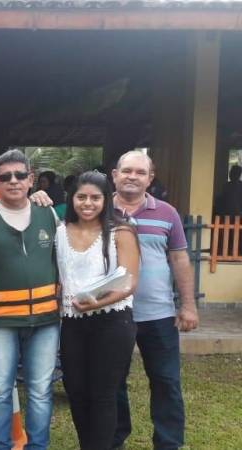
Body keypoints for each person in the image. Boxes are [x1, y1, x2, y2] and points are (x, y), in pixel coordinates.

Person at [0, 150, 60, 450]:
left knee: (40, 390)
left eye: (20, 175)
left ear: (31, 179)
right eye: (5, 177)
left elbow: (62, 260)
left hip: (45, 319)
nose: (13, 181)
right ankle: (0, 445)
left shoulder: (49, 214)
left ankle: (37, 447)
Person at [110, 150, 199, 450]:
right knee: (113, 383)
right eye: (127, 171)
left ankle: (168, 443)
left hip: (158, 314)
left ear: (150, 178)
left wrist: (188, 305)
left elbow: (179, 259)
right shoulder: (97, 208)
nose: (132, 177)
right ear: (115, 175)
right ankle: (114, 439)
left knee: (166, 382)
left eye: (140, 172)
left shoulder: (167, 213)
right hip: (112, 313)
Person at [56, 171, 140, 450]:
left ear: (106, 200)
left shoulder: (120, 232)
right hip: (72, 322)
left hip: (112, 322)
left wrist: (97, 302)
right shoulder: (60, 231)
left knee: (103, 394)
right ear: (72, 198)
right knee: (76, 392)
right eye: (81, 197)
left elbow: (129, 282)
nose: (88, 203)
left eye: (95, 197)